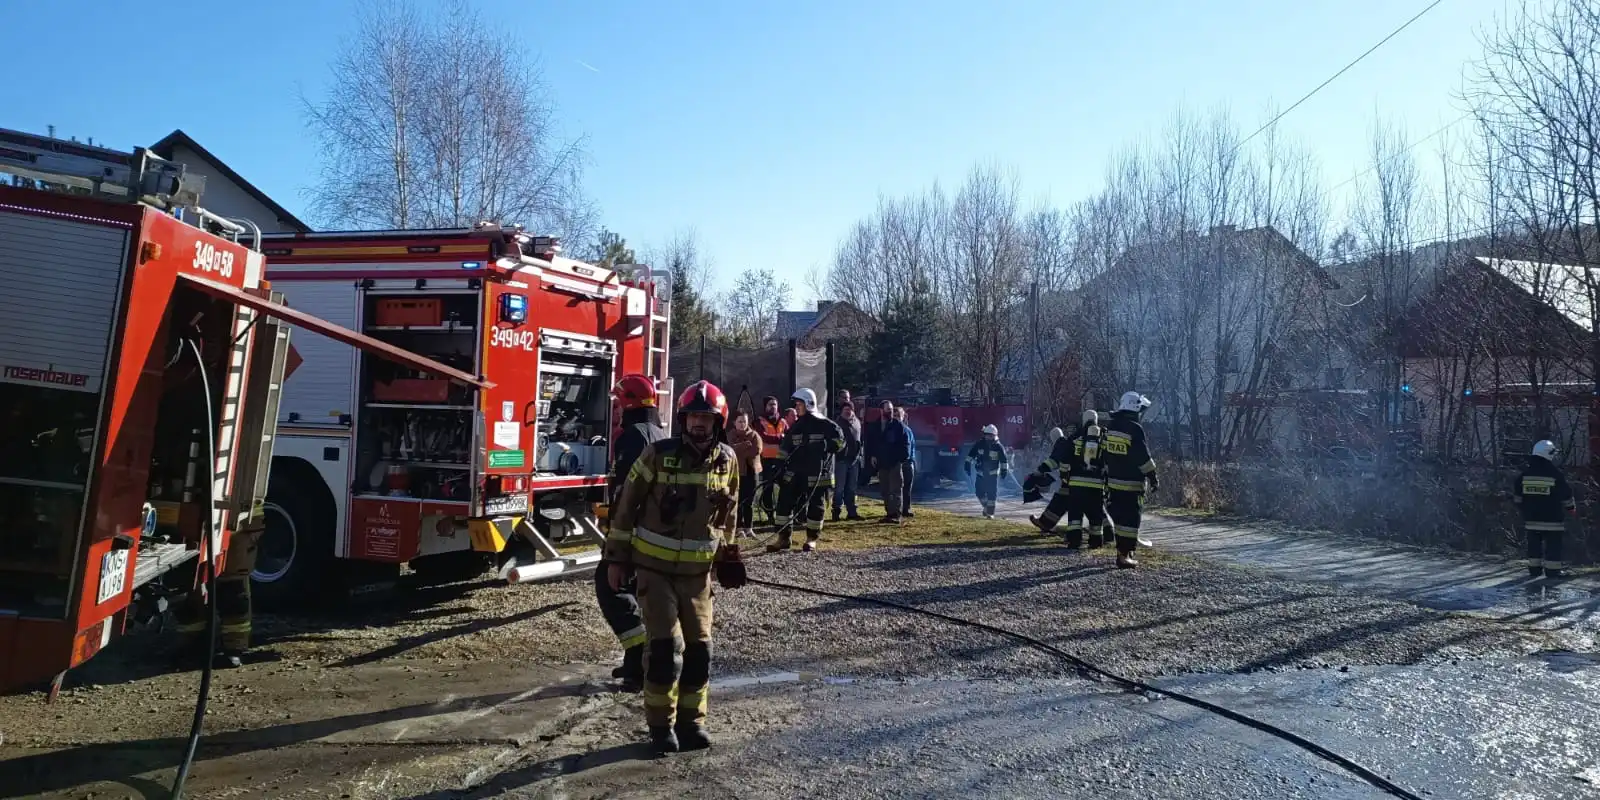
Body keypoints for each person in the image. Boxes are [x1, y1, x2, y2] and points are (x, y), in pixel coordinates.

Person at [605, 380, 747, 755]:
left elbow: (728, 513)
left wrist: (728, 555)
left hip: (697, 577)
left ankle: (691, 723)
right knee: (665, 650)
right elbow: (626, 507)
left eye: (707, 417)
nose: (699, 424)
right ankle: (660, 726)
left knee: (700, 652)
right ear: (683, 419)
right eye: (693, 417)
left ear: (719, 422)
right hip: (655, 571)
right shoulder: (657, 455)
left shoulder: (727, 460)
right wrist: (616, 559)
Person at [595, 374, 665, 691]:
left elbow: (626, 491)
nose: (618, 407)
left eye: (620, 401)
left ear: (629, 402)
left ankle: (638, 657)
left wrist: (616, 537)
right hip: (652, 529)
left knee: (610, 585)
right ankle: (637, 662)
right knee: (636, 590)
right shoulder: (659, 433)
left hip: (633, 529)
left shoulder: (632, 436)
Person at [769, 388, 846, 552]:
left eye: (799, 404)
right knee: (784, 504)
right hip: (795, 473)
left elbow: (841, 442)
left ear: (808, 404)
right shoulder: (796, 426)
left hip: (817, 473)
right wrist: (778, 466)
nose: (796, 407)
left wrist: (827, 445)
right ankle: (783, 538)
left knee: (815, 506)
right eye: (796, 404)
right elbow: (785, 448)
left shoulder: (826, 425)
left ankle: (812, 539)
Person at [1029, 410, 1109, 548]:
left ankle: (1073, 540)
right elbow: (1110, 461)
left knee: (1075, 513)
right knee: (1096, 511)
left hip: (1076, 483)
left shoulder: (1075, 437)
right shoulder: (1104, 437)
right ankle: (1101, 538)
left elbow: (1063, 460)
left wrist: (1064, 476)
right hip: (1097, 484)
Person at [1102, 392, 1158, 569]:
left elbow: (1104, 454)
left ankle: (1123, 551)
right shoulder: (1135, 429)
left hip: (1113, 482)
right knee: (1131, 521)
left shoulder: (1111, 426)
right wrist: (1153, 477)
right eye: (1140, 409)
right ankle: (1124, 556)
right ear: (1135, 408)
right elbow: (1143, 457)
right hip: (1132, 484)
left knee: (1119, 520)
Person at [1515, 439, 1576, 578]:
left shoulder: (1524, 475)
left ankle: (1534, 570)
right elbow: (1566, 494)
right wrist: (1571, 508)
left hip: (1531, 520)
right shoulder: (1555, 474)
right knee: (1554, 546)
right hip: (1553, 520)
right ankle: (1552, 571)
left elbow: (1517, 498)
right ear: (1548, 454)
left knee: (1533, 546)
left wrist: (1526, 510)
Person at [726, 411, 763, 538]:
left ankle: (749, 527)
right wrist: (744, 445)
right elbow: (730, 450)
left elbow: (756, 450)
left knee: (749, 501)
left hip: (752, 472)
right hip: (737, 472)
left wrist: (739, 449)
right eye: (740, 421)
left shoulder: (754, 435)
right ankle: (738, 527)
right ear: (734, 423)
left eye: (744, 421)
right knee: (738, 500)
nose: (742, 424)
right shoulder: (731, 435)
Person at [875, 402, 912, 524]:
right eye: (887, 410)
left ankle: (896, 514)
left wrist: (901, 458)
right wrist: (873, 456)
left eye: (891, 410)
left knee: (896, 489)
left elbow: (905, 444)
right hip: (882, 464)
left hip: (894, 463)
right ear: (881, 411)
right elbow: (872, 442)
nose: (890, 412)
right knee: (885, 490)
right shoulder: (876, 425)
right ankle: (889, 513)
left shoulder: (898, 426)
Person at [964, 424, 1010, 519]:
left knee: (991, 495)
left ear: (995, 435)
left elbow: (1004, 461)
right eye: (987, 435)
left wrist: (1004, 471)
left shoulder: (998, 447)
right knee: (979, 493)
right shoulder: (979, 444)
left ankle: (990, 514)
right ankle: (986, 507)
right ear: (984, 435)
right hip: (980, 474)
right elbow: (970, 455)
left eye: (991, 435)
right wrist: (967, 465)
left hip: (992, 475)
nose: (989, 437)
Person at [755, 396, 788, 512]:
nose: (773, 406)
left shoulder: (783, 421)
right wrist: (780, 438)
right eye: (770, 404)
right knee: (767, 487)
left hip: (781, 459)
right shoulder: (760, 421)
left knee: (785, 486)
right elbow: (764, 437)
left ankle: (782, 510)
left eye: (775, 404)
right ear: (765, 407)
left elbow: (788, 436)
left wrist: (782, 438)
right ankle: (768, 512)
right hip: (766, 460)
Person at [832, 401, 864, 521]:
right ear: (841, 411)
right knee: (839, 488)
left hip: (854, 460)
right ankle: (836, 512)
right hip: (841, 460)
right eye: (845, 409)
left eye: (850, 409)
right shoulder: (836, 424)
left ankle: (852, 512)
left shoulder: (857, 423)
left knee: (852, 488)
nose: (848, 411)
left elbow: (860, 439)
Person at [895, 407, 917, 518]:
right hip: (897, 463)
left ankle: (906, 509)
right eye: (895, 415)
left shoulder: (908, 430)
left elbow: (912, 446)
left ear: (904, 416)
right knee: (897, 488)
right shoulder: (891, 430)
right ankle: (896, 510)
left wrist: (912, 460)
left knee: (907, 487)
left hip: (908, 463)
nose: (897, 418)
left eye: (899, 415)